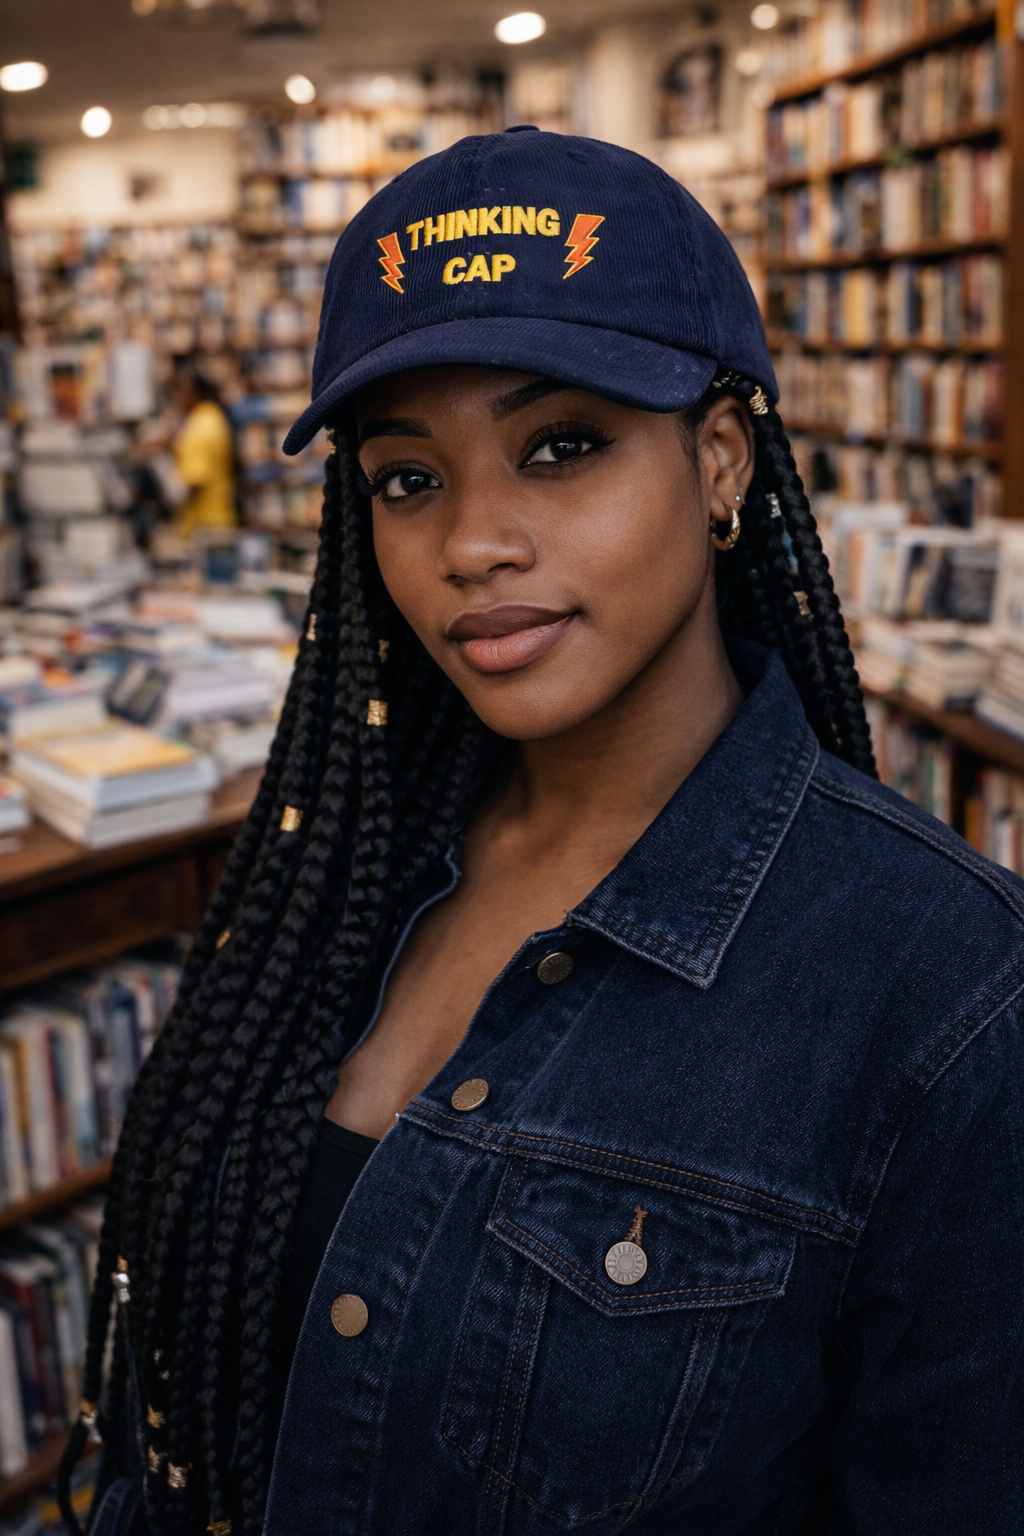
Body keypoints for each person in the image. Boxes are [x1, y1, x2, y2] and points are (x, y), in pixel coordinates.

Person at [64, 129, 1022, 1536]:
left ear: (717, 459)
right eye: (407, 478)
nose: (473, 543)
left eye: (561, 446)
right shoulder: (333, 880)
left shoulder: (948, 992)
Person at [169, 367, 237, 536]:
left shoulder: (201, 425)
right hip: (215, 519)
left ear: (194, 393)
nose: (179, 399)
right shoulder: (212, 416)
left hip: (205, 524)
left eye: (182, 392)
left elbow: (196, 479)